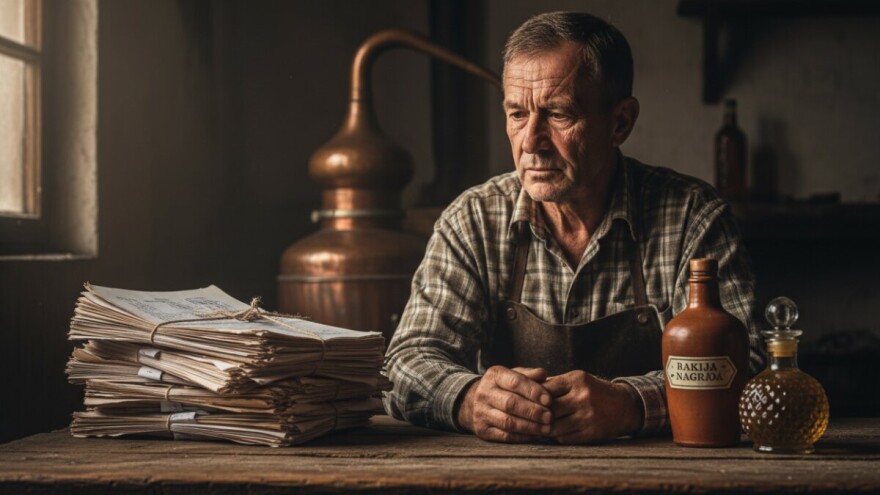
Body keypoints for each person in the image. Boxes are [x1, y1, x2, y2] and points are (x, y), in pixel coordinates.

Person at [383, 11, 764, 444]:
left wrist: (632, 404)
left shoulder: (692, 217)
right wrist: (468, 399)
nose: (530, 142)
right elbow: (405, 363)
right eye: (516, 115)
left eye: (558, 114)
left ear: (620, 122)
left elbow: (748, 362)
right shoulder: (472, 221)